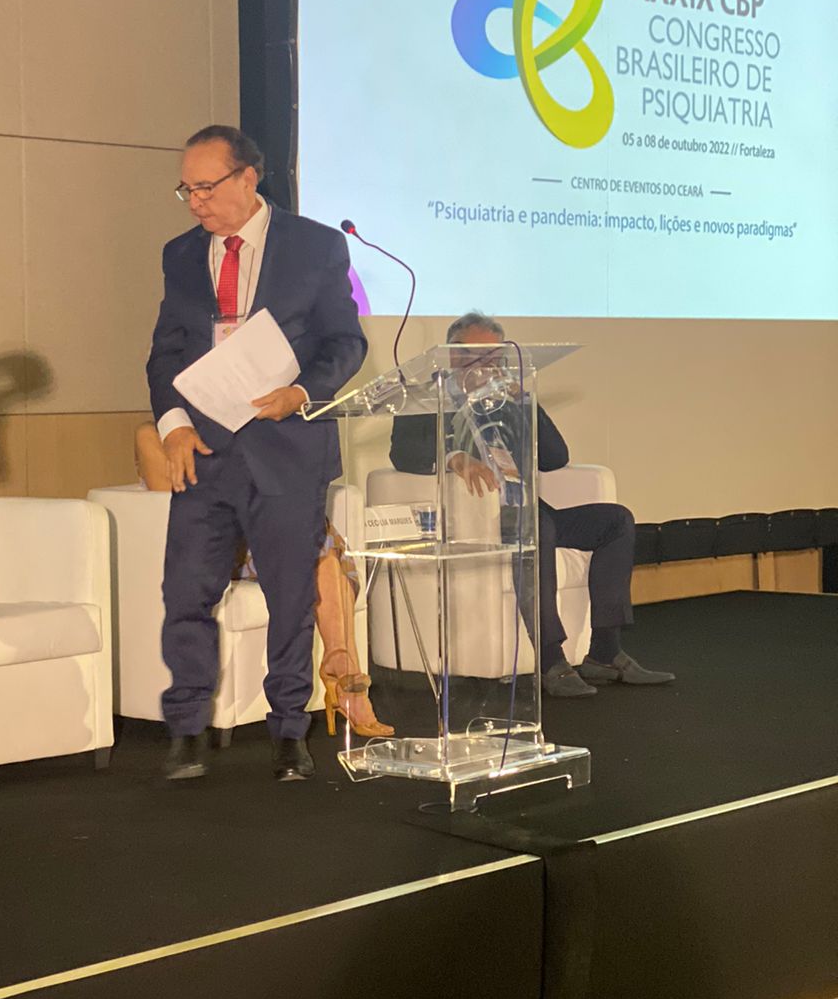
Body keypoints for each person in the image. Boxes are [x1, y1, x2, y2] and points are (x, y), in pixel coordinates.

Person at [147, 126, 368, 780]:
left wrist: (301, 392)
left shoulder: (316, 246)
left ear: (249, 177)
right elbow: (164, 353)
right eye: (186, 190)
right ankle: (186, 731)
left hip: (286, 448)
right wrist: (172, 425)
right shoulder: (180, 254)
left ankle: (289, 732)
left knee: (291, 597)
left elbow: (345, 343)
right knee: (185, 593)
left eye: (206, 187)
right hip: (204, 452)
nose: (195, 202)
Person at [389, 312, 674, 698]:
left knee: (616, 521)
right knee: (539, 526)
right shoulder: (424, 398)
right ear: (452, 356)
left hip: (528, 509)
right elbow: (403, 452)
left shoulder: (503, 399)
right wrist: (454, 457)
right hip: (475, 517)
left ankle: (605, 652)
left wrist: (525, 402)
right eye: (475, 357)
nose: (486, 367)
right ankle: (551, 659)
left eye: (494, 358)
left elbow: (555, 457)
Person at [134, 423, 391, 738]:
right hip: (218, 542)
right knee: (313, 546)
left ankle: (342, 663)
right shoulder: (153, 433)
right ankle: (345, 680)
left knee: (312, 541)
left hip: (271, 532)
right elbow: (173, 500)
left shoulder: (246, 430)